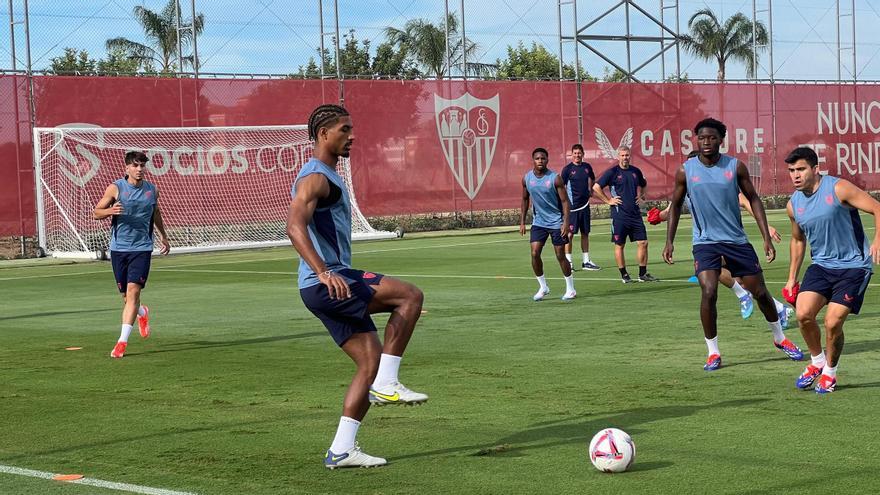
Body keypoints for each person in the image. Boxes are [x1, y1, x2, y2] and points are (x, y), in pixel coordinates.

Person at [287, 104, 427, 469]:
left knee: (370, 362)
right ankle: (389, 384)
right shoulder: (315, 177)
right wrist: (322, 271)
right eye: (344, 130)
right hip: (328, 281)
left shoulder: (327, 175)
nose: (352, 136)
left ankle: (342, 450)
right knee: (410, 295)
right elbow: (294, 226)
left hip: (326, 284)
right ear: (323, 134)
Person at [662, 117, 803, 371]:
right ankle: (713, 352)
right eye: (702, 137)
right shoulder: (686, 170)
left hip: (736, 241)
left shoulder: (735, 167)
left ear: (721, 140)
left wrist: (766, 236)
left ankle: (780, 338)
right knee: (709, 291)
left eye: (712, 137)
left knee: (759, 292)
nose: (706, 142)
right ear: (697, 139)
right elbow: (674, 207)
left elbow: (754, 199)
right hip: (705, 242)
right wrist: (669, 241)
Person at [784, 146, 880, 393]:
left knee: (832, 322)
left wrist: (878, 239)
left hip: (854, 267)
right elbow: (797, 240)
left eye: (801, 169)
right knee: (803, 315)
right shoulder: (793, 204)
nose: (796, 175)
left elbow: (877, 208)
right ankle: (816, 361)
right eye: (792, 170)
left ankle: (830, 372)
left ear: (816, 169)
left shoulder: (839, 188)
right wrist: (791, 278)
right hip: (821, 267)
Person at [658, 190, 794, 327]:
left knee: (735, 277)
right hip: (705, 242)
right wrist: (658, 216)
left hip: (730, 239)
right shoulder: (686, 182)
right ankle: (777, 308)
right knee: (735, 279)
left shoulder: (717, 178)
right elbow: (671, 209)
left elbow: (744, 201)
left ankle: (746, 297)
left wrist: (766, 227)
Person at [93, 151, 170, 359]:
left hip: (142, 248)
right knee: (127, 298)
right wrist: (110, 211)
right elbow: (96, 212)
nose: (139, 169)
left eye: (142, 166)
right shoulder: (116, 188)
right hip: (119, 249)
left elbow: (156, 213)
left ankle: (121, 342)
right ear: (127, 168)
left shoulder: (152, 190)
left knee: (133, 292)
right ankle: (142, 313)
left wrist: (163, 236)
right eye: (135, 166)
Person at [592, 146, 658, 283]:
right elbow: (596, 187)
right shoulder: (612, 172)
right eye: (622, 155)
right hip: (619, 216)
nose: (625, 158)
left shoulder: (635, 171)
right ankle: (624, 275)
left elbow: (644, 184)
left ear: (630, 156)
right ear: (618, 157)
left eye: (627, 155)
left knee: (643, 243)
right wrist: (608, 200)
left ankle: (642, 274)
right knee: (620, 245)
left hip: (635, 215)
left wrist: (641, 196)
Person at [520, 147, 576, 301]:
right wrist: (522, 221)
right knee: (534, 253)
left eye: (543, 158)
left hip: (557, 222)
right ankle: (543, 287)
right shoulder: (527, 179)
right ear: (533, 160)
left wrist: (566, 222)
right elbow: (525, 199)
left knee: (560, 255)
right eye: (537, 158)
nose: (540, 161)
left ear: (547, 160)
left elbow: (565, 202)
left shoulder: (555, 178)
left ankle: (571, 289)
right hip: (539, 223)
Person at [560, 143, 600, 270]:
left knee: (585, 233)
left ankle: (586, 261)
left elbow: (592, 179)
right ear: (572, 155)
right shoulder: (567, 169)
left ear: (583, 154)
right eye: (575, 153)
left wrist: (590, 191)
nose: (577, 155)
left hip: (585, 206)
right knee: (570, 234)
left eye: (579, 153)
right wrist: (565, 203)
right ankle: (569, 262)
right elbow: (561, 187)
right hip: (572, 208)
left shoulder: (587, 167)